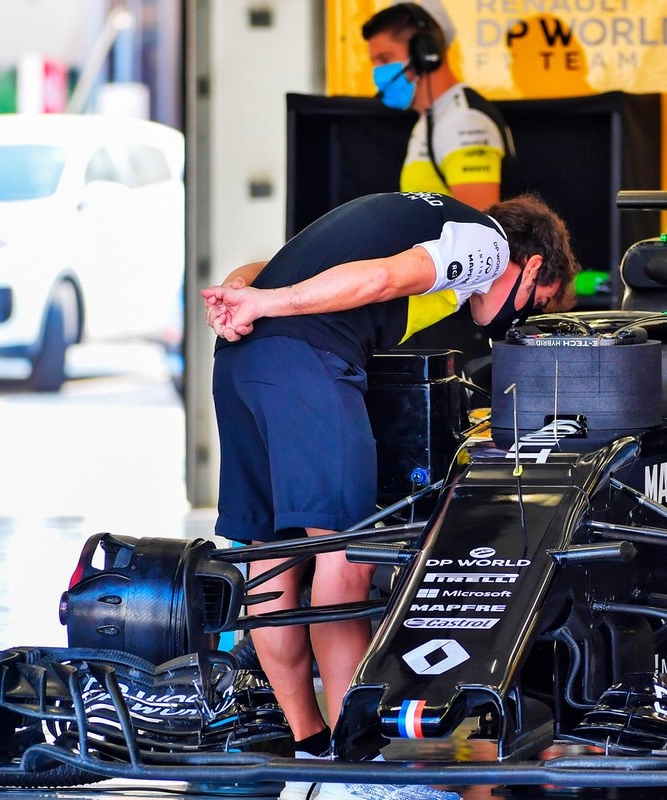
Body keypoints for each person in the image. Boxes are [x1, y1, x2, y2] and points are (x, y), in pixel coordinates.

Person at [201, 191, 577, 800]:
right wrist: (268, 302)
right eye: (535, 304)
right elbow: (378, 279)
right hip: (308, 360)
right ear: (534, 267)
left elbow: (258, 270)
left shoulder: (424, 222)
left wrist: (244, 298)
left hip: (241, 362)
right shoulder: (488, 244)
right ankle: (358, 767)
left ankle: (310, 750)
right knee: (347, 556)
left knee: (263, 555)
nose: (520, 320)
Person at [363, 3, 511, 211]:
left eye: (385, 59)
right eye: (374, 62)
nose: (377, 71)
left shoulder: (465, 121)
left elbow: (479, 233)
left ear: (425, 54)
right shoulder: (433, 117)